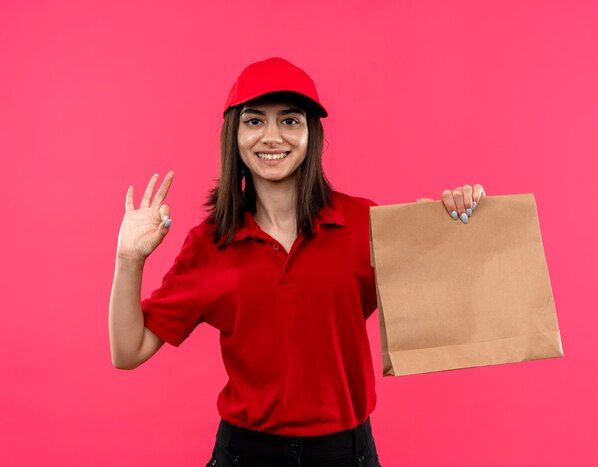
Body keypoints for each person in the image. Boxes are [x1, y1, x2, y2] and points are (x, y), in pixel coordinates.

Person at [109, 57, 486, 467]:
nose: (272, 137)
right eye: (254, 122)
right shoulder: (209, 243)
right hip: (246, 454)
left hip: (346, 453)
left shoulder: (364, 223)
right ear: (234, 135)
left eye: (290, 121)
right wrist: (128, 259)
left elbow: (449, 301)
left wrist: (456, 225)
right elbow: (128, 351)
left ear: (312, 135)